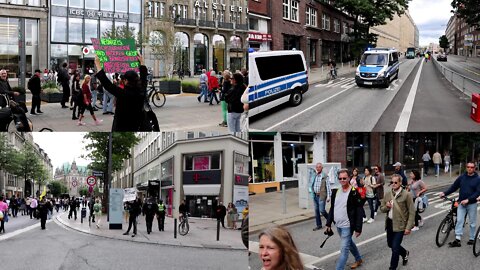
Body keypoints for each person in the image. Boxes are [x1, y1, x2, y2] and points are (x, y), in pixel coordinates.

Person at [94, 53, 148, 131]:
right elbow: (144, 78)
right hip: (137, 125)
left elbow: (107, 84)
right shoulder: (141, 91)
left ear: (126, 81)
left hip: (121, 126)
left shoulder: (122, 93)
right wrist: (142, 62)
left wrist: (98, 64)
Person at [325, 169, 364, 270]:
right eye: (340, 178)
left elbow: (359, 211)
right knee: (349, 243)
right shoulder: (336, 191)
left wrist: (358, 228)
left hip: (347, 226)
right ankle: (358, 259)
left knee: (344, 250)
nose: (342, 180)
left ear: (349, 178)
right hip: (338, 225)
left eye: (344, 178)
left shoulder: (354, 192)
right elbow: (332, 208)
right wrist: (328, 223)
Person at [439, 162, 480, 247]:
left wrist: (468, 200)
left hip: (472, 204)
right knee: (459, 220)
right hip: (461, 203)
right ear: (466, 167)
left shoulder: (478, 179)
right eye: (468, 167)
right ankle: (458, 239)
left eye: (472, 167)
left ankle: (472, 238)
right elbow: (454, 187)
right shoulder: (462, 177)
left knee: (472, 222)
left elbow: (477, 192)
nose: (470, 168)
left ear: (475, 168)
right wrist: (444, 193)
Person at [380, 174, 415, 270]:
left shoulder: (406, 195)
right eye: (392, 182)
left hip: (400, 225)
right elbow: (381, 209)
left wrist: (408, 227)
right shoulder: (387, 194)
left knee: (395, 248)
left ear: (400, 183)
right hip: (390, 224)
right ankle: (404, 253)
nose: (394, 184)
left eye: (396, 182)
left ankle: (392, 267)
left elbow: (412, 212)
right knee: (390, 244)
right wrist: (386, 206)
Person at [310, 162, 331, 231]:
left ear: (322, 168)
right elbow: (312, 184)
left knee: (322, 210)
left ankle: (329, 219)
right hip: (315, 195)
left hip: (322, 196)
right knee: (316, 211)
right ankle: (319, 225)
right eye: (317, 167)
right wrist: (311, 191)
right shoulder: (315, 175)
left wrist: (328, 196)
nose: (318, 168)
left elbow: (328, 187)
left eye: (319, 167)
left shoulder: (325, 176)